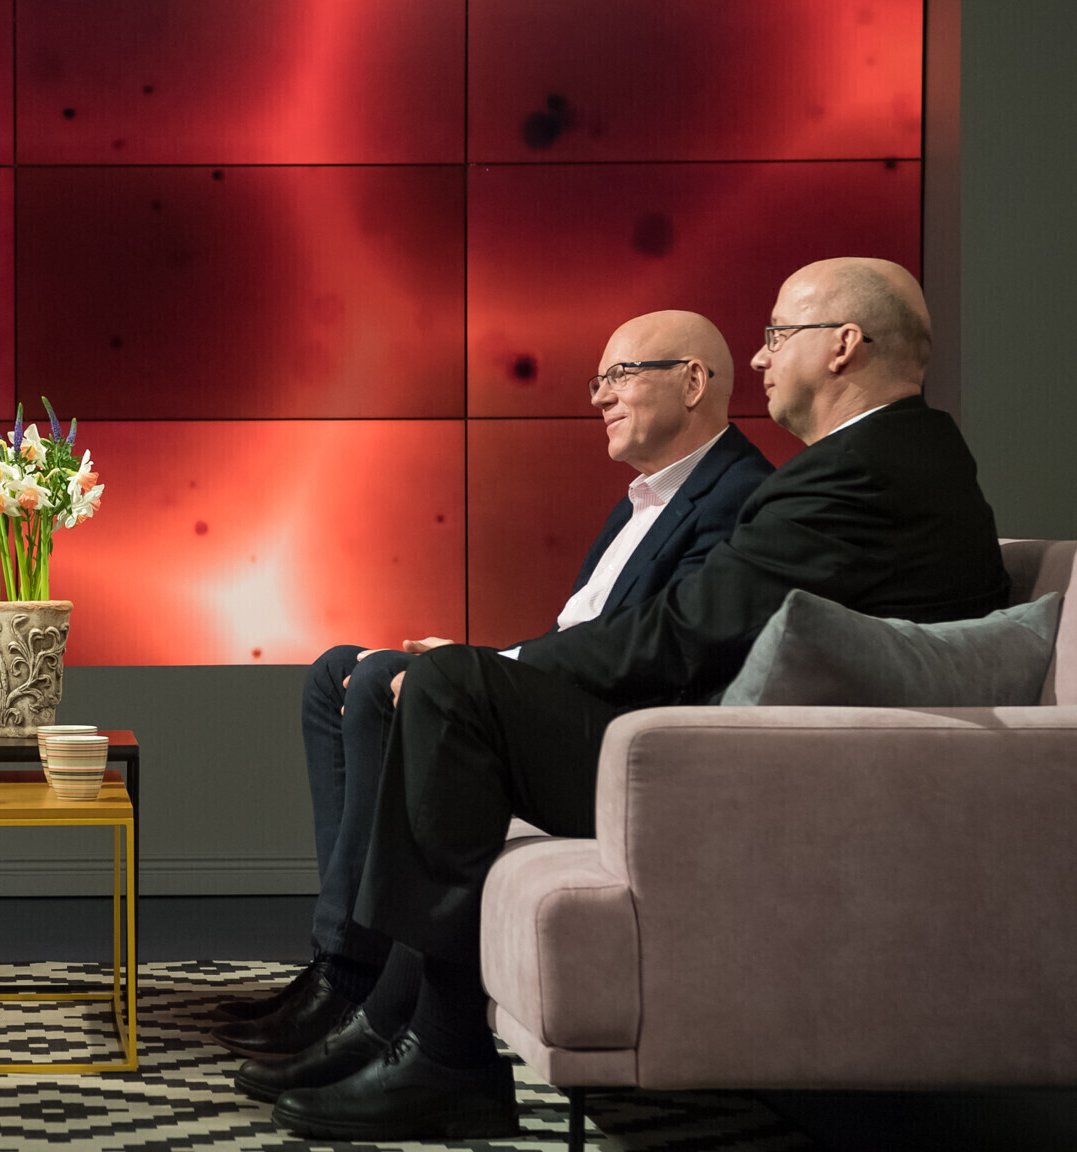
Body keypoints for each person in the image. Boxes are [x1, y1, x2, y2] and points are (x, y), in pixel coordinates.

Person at [270, 258, 1010, 1142]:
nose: (760, 357)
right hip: (764, 760)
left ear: (844, 345)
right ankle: (401, 1024)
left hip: (748, 782)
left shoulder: (863, 474)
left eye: (778, 334)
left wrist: (501, 664)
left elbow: (684, 632)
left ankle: (440, 1054)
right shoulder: (900, 461)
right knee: (442, 684)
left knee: (451, 690)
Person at [214, 311, 775, 1073]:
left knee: (386, 679)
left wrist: (492, 666)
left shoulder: (740, 496)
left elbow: (654, 651)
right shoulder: (641, 500)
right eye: (598, 381)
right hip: (571, 705)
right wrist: (488, 665)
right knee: (338, 673)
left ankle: (352, 982)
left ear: (694, 381)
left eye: (619, 376)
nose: (600, 397)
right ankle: (343, 961)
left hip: (623, 742)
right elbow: (590, 634)